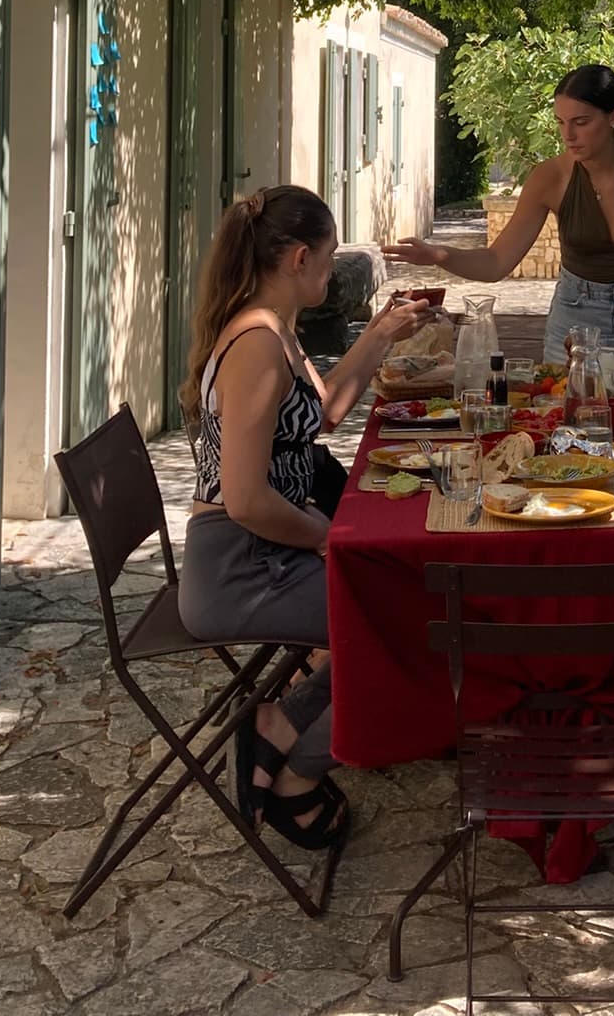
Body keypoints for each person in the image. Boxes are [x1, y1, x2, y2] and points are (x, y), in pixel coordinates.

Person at [178, 184, 432, 846]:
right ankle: (294, 761)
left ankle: (286, 723)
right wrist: (328, 538)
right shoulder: (256, 344)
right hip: (241, 565)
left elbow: (321, 415)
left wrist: (378, 335)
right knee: (410, 618)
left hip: (260, 550)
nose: (331, 266)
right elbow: (246, 499)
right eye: (327, 255)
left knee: (406, 591)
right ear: (298, 260)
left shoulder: (273, 327)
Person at [388, 63, 614, 387]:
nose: (568, 135)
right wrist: (440, 256)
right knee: (573, 423)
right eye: (561, 122)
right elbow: (496, 262)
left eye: (581, 122)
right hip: (575, 321)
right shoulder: (550, 178)